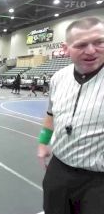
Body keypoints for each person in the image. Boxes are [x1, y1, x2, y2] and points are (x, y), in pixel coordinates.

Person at [37, 17, 104, 214]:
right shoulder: (58, 78)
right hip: (59, 169)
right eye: (81, 45)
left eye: (99, 42)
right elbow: (51, 115)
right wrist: (43, 143)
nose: (91, 50)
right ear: (66, 49)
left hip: (98, 180)